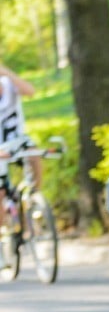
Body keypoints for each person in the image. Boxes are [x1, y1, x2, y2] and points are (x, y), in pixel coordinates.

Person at [0, 62, 38, 250]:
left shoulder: (9, 85)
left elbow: (30, 91)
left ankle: (34, 200)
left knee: (35, 153)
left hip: (17, 141)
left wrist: (6, 71)